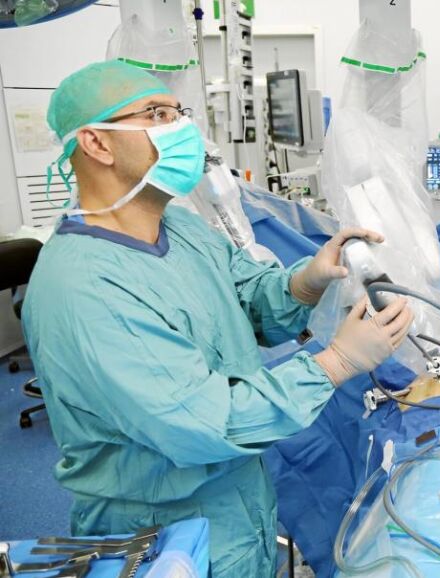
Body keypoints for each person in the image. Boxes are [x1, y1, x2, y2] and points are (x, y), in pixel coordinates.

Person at [21, 60, 414, 578]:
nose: (183, 128)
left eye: (178, 111)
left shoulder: (180, 228)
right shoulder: (86, 288)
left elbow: (245, 297)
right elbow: (203, 423)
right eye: (157, 114)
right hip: (163, 535)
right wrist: (336, 362)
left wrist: (306, 281)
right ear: (97, 144)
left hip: (234, 506)